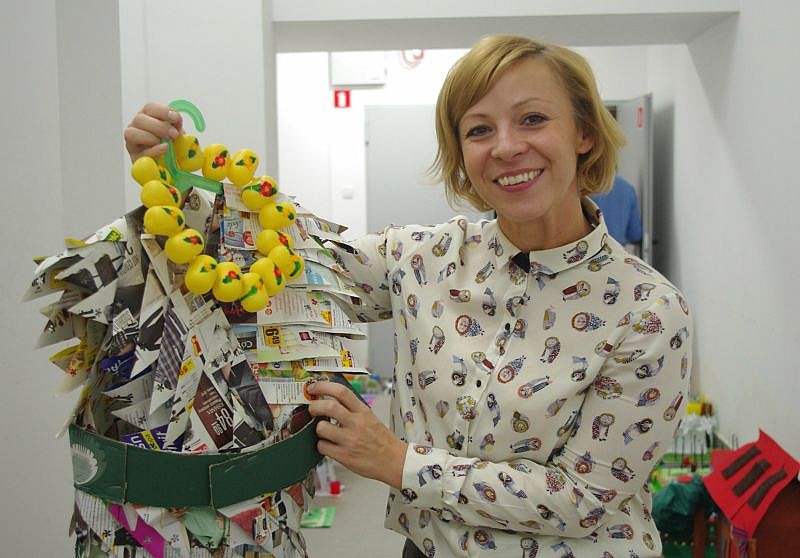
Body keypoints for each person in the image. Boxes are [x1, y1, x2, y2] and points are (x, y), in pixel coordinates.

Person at [126, 35, 692, 558]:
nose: (506, 147)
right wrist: (176, 181)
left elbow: (583, 498)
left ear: (584, 133)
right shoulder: (425, 258)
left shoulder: (646, 312)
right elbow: (279, 264)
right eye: (478, 130)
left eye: (533, 119)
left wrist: (398, 461)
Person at [590, 174, 643, 246]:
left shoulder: (586, 188)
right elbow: (635, 235)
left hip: (591, 248)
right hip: (617, 249)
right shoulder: (628, 189)